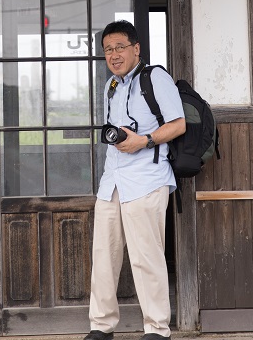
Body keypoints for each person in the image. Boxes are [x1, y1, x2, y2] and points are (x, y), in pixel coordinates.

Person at [86, 20, 186, 340]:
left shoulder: (155, 77)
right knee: (104, 256)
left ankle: (157, 329)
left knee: (147, 258)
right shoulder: (110, 86)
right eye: (108, 50)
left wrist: (143, 141)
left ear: (135, 48)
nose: (114, 55)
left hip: (147, 179)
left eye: (119, 47)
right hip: (112, 181)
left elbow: (179, 124)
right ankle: (101, 326)